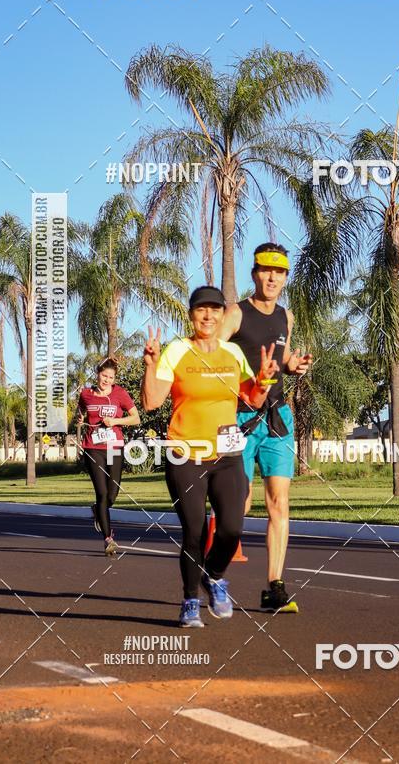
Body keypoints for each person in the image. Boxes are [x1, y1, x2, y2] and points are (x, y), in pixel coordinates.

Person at [141, 286, 278, 628]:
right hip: (185, 455)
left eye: (214, 310)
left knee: (231, 528)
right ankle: (189, 601)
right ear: (191, 315)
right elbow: (151, 402)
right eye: (201, 310)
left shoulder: (232, 353)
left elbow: (253, 399)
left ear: (221, 316)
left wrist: (262, 381)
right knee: (195, 531)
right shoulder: (176, 351)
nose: (208, 316)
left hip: (227, 454)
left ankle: (213, 576)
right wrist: (151, 364)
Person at [219, 243, 312, 614]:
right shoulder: (235, 314)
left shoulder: (285, 317)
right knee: (236, 503)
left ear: (285, 278)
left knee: (279, 502)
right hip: (238, 417)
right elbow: (211, 354)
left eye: (280, 272)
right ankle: (214, 577)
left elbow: (282, 358)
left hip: (277, 417)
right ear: (254, 273)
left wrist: (294, 364)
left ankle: (275, 585)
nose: (272, 277)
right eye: (265, 270)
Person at [77, 358, 140, 556]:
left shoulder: (120, 393)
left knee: (112, 494)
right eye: (104, 375)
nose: (106, 380)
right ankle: (108, 539)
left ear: (114, 379)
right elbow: (80, 415)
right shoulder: (86, 394)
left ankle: (98, 510)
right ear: (97, 374)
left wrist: (115, 421)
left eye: (110, 377)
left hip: (114, 447)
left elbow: (135, 418)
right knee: (103, 493)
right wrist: (79, 420)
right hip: (93, 448)